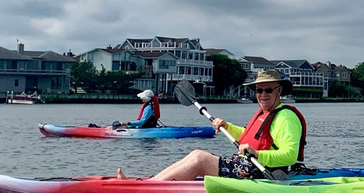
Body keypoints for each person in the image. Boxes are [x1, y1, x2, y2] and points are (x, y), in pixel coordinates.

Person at [117, 69, 306, 181]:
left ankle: (149, 187)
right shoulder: (265, 113)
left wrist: (257, 154)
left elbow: (289, 156)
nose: (262, 94)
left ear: (279, 90)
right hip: (247, 164)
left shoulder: (286, 117)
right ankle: (150, 182)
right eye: (258, 90)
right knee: (196, 153)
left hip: (261, 171)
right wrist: (227, 126)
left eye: (268, 90)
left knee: (200, 159)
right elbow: (251, 137)